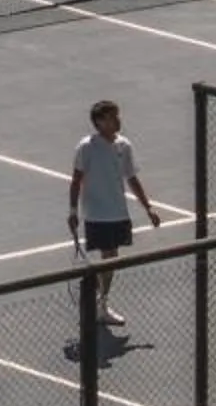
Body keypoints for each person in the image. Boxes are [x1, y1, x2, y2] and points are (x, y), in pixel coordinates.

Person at [66, 98, 161, 331]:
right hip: (97, 213)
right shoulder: (86, 147)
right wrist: (72, 211)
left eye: (117, 116)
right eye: (112, 117)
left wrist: (148, 207)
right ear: (99, 122)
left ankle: (97, 298)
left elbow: (132, 179)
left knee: (112, 258)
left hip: (118, 212)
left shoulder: (124, 146)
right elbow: (76, 180)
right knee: (110, 257)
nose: (118, 121)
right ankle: (101, 304)